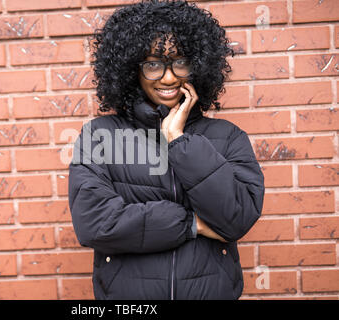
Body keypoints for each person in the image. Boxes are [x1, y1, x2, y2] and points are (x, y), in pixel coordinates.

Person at [68, 0, 265, 300]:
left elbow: (236, 219)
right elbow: (94, 223)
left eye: (180, 62)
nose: (169, 77)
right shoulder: (99, 136)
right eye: (152, 64)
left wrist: (178, 140)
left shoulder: (227, 138)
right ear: (131, 69)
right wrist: (190, 224)